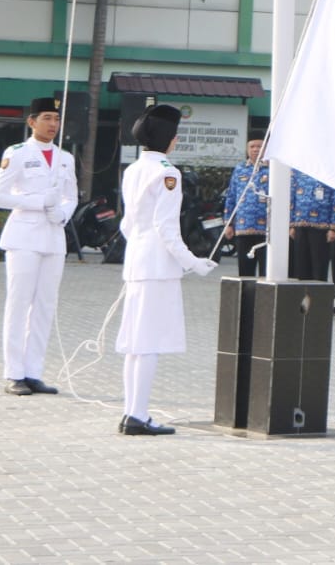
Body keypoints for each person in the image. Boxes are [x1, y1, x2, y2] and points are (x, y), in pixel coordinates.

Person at [114, 104, 218, 435]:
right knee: (148, 343)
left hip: (137, 261)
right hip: (158, 265)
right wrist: (194, 263)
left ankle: (133, 411)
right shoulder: (167, 172)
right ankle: (138, 415)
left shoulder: (134, 170)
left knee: (136, 342)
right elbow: (167, 229)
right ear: (171, 139)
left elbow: (128, 223)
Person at [0, 95, 78, 397]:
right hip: (24, 236)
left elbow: (71, 196)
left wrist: (63, 213)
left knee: (45, 306)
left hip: (54, 237)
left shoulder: (65, 157)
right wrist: (38, 203)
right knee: (19, 305)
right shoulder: (17, 153)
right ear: (31, 122)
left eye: (56, 119)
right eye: (46, 118)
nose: (53, 124)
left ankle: (34, 371)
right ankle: (14, 372)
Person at [221, 137, 269, 279]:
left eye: (259, 146)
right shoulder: (240, 169)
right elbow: (231, 197)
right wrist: (228, 223)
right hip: (243, 227)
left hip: (266, 230)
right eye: (252, 146)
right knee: (245, 273)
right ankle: (246, 301)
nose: (255, 149)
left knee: (265, 274)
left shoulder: (274, 170)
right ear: (247, 149)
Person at [287, 169, 334, 282]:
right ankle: (302, 297)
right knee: (301, 267)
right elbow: (292, 196)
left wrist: (333, 227)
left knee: (319, 267)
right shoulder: (297, 169)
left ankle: (318, 298)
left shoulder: (330, 170)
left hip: (321, 225)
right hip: (300, 223)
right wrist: (291, 224)